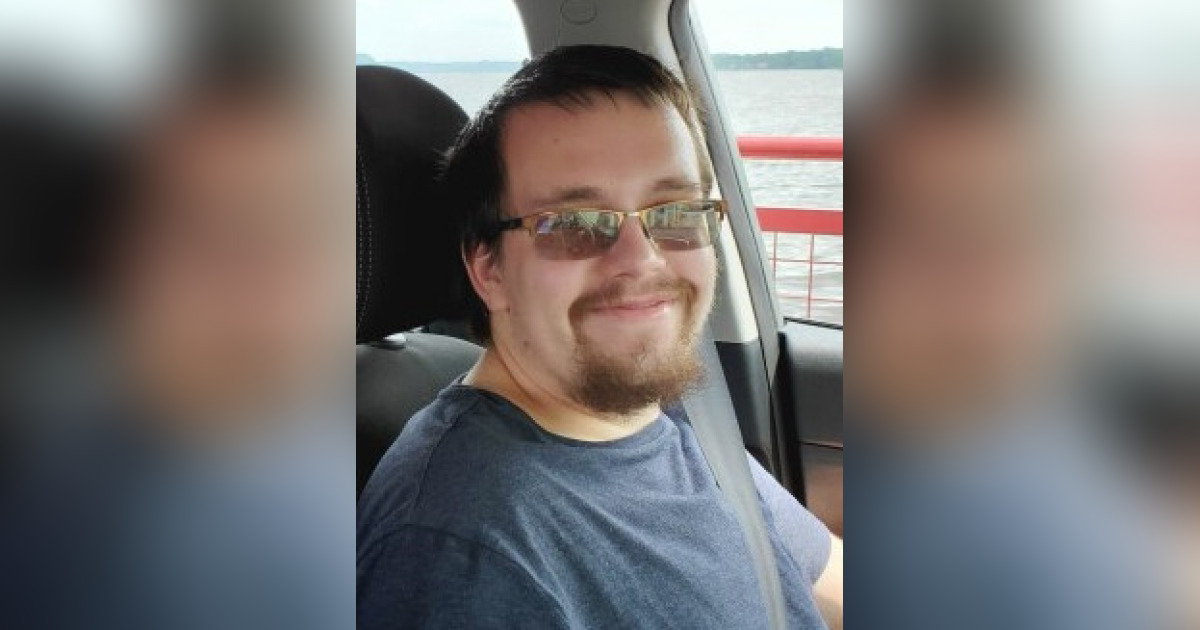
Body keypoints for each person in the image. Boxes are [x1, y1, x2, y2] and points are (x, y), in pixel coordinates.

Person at [357, 45, 841, 629]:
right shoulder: (461, 554)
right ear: (489, 270)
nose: (642, 260)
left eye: (675, 212)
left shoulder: (662, 410)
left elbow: (820, 579)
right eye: (574, 224)